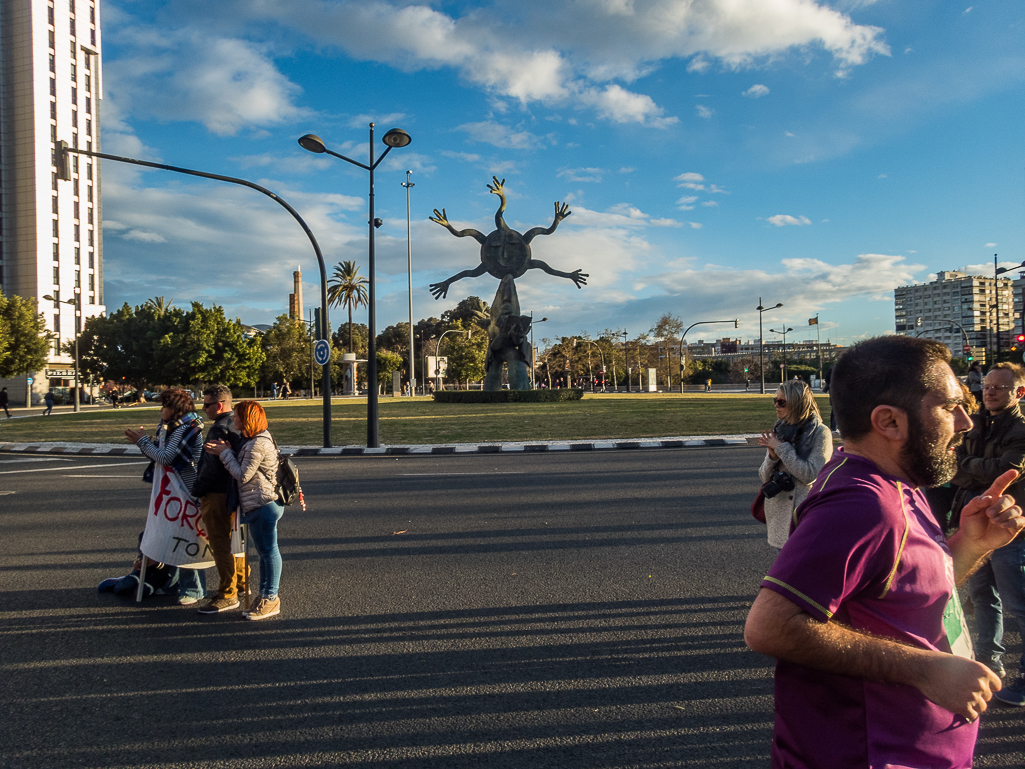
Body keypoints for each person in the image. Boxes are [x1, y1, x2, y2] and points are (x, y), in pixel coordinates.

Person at [744, 336, 1025, 767]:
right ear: (889, 422)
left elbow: (912, 594)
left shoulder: (898, 481)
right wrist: (925, 669)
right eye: (949, 406)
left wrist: (974, 544)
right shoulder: (863, 506)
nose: (965, 422)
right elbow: (769, 627)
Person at [948, 362, 1025, 705]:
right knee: (982, 600)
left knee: (1018, 605)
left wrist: (967, 467)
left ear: (1019, 392)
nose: (989, 391)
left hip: (1010, 531)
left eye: (1000, 387)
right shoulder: (975, 422)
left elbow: (1007, 471)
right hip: (973, 523)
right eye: (987, 386)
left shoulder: (1021, 429)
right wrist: (972, 469)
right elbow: (952, 466)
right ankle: (988, 661)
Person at [125, 388, 206, 605]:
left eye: (165, 406)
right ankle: (174, 581)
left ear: (175, 409)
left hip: (185, 491)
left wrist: (142, 442)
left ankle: (192, 588)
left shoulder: (184, 429)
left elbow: (167, 457)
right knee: (171, 535)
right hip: (175, 490)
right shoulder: (174, 427)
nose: (161, 410)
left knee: (185, 538)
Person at [205, 400, 283, 621]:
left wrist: (224, 454)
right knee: (265, 553)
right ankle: (265, 596)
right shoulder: (253, 441)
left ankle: (270, 598)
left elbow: (243, 474)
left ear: (247, 418)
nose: (234, 420)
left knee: (269, 553)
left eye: (238, 416)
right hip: (259, 503)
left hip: (264, 504)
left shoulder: (258, 443)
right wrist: (229, 451)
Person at [756, 380, 832, 549]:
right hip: (779, 517)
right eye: (775, 400)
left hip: (804, 517)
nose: (776, 405)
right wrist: (772, 456)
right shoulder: (780, 429)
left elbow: (810, 475)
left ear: (797, 403)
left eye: (781, 402)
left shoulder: (820, 433)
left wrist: (782, 449)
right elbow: (763, 476)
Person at [192, 385, 245, 615]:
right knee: (237, 543)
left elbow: (210, 468)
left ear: (219, 405)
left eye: (206, 404)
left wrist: (198, 490)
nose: (203, 409)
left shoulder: (218, 429)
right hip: (236, 491)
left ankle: (227, 593)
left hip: (216, 493)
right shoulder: (239, 424)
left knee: (221, 544)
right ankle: (242, 581)